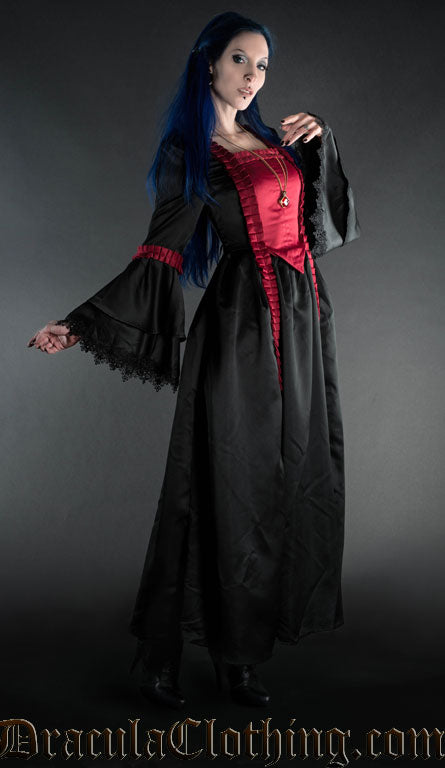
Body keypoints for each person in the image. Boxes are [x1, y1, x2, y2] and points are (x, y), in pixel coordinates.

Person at [27, 11, 360, 710]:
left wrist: (320, 141)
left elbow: (322, 229)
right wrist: (80, 324)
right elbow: (160, 253)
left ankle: (241, 656)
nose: (253, 75)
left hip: (301, 325)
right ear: (209, 62)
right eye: (240, 59)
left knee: (283, 481)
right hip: (239, 329)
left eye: (262, 64)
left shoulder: (272, 141)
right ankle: (161, 658)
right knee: (221, 485)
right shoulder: (193, 153)